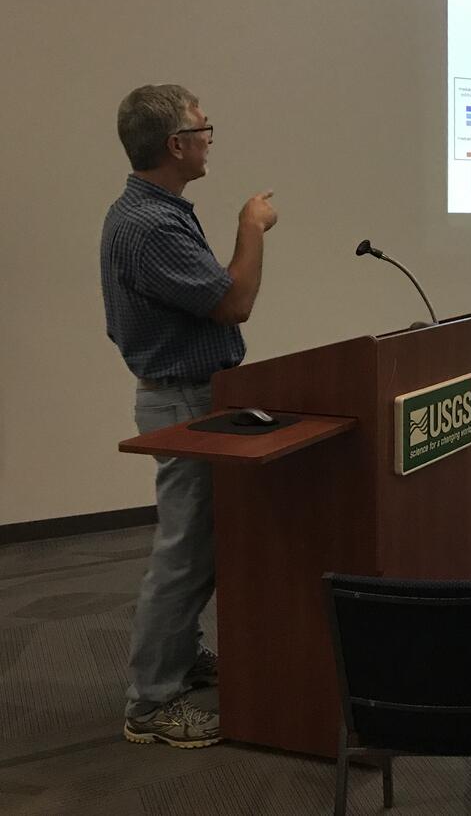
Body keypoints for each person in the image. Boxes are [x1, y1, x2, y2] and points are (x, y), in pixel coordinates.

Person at [100, 85, 277, 748]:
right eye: (205, 128)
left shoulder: (153, 212)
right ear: (176, 144)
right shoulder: (150, 225)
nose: (210, 137)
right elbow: (233, 304)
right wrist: (250, 227)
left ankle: (178, 659)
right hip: (184, 398)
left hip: (192, 392)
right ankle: (150, 703)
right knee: (184, 552)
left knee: (198, 544)